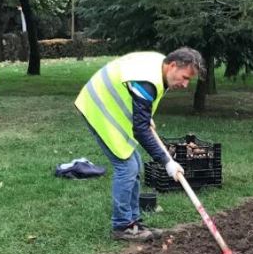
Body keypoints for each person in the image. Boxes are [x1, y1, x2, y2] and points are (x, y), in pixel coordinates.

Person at [75, 48, 204, 241]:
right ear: (173, 65)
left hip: (110, 106)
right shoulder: (148, 80)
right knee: (126, 168)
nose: (185, 84)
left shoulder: (160, 68)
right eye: (185, 77)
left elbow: (140, 104)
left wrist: (145, 115)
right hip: (99, 108)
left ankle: (133, 222)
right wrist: (167, 162)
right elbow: (141, 130)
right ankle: (121, 226)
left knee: (135, 165)